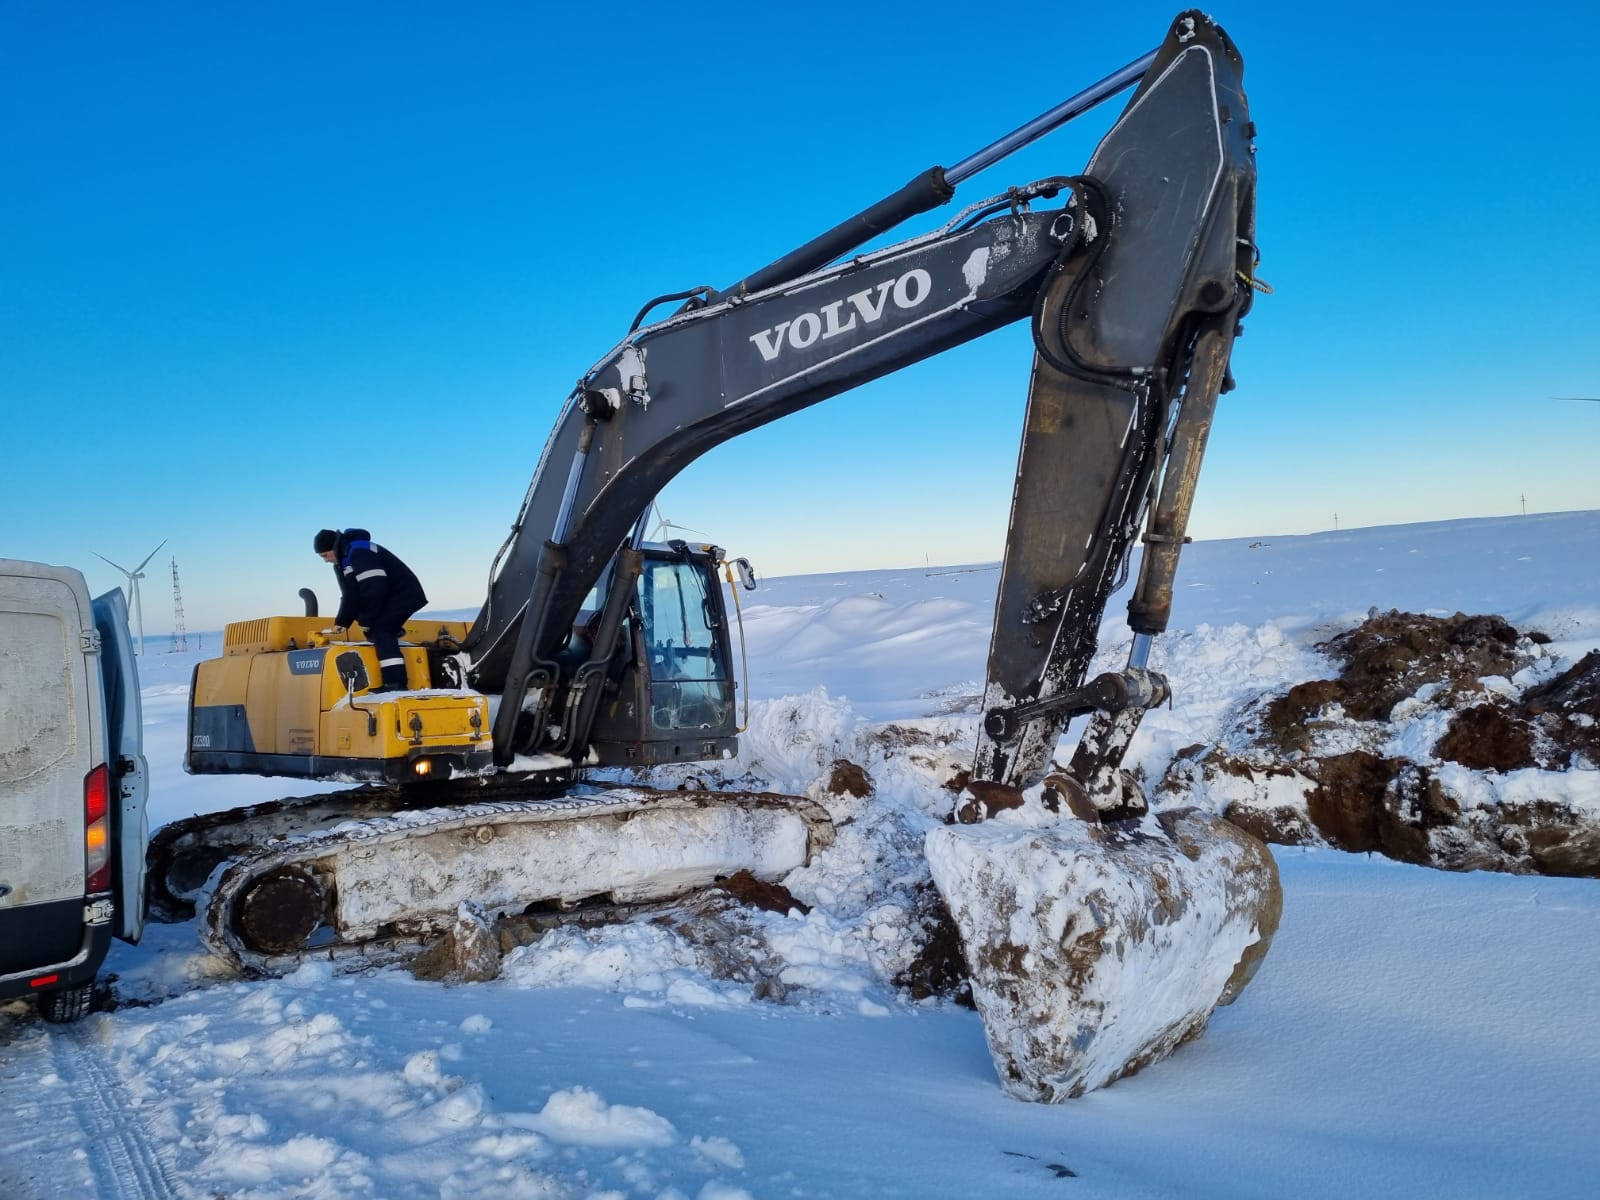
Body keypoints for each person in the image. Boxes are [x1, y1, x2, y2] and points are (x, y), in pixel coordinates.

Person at [313, 528, 428, 692]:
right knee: (375, 630)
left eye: (325, 555)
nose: (325, 560)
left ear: (333, 547)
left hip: (404, 593)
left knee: (382, 630)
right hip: (389, 595)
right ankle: (393, 634)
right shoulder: (343, 561)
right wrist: (342, 622)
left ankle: (395, 683)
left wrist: (367, 620)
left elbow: (374, 588)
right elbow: (350, 594)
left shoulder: (359, 552)